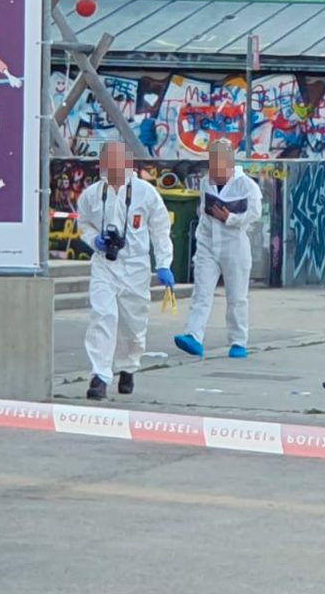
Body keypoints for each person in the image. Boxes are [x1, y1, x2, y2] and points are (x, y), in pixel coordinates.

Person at [75, 142, 174, 400]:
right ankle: (100, 375)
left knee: (133, 324)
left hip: (136, 266)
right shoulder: (92, 194)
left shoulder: (146, 193)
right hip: (104, 264)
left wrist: (164, 263)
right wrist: (94, 240)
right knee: (103, 316)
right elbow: (83, 224)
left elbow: (160, 229)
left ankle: (128, 367)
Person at [175, 140, 262, 360]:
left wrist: (230, 218)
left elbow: (254, 214)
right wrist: (201, 238)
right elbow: (203, 212)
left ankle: (238, 341)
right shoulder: (206, 182)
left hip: (234, 244)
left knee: (237, 296)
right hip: (208, 243)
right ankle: (194, 335)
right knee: (202, 291)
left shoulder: (247, 186)